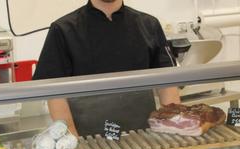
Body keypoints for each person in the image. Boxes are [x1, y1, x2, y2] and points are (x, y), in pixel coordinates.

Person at [33, 0, 180, 136]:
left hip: (144, 137)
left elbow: (167, 84)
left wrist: (174, 130)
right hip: (89, 141)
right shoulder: (63, 30)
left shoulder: (149, 25)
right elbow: (54, 93)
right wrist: (72, 139)